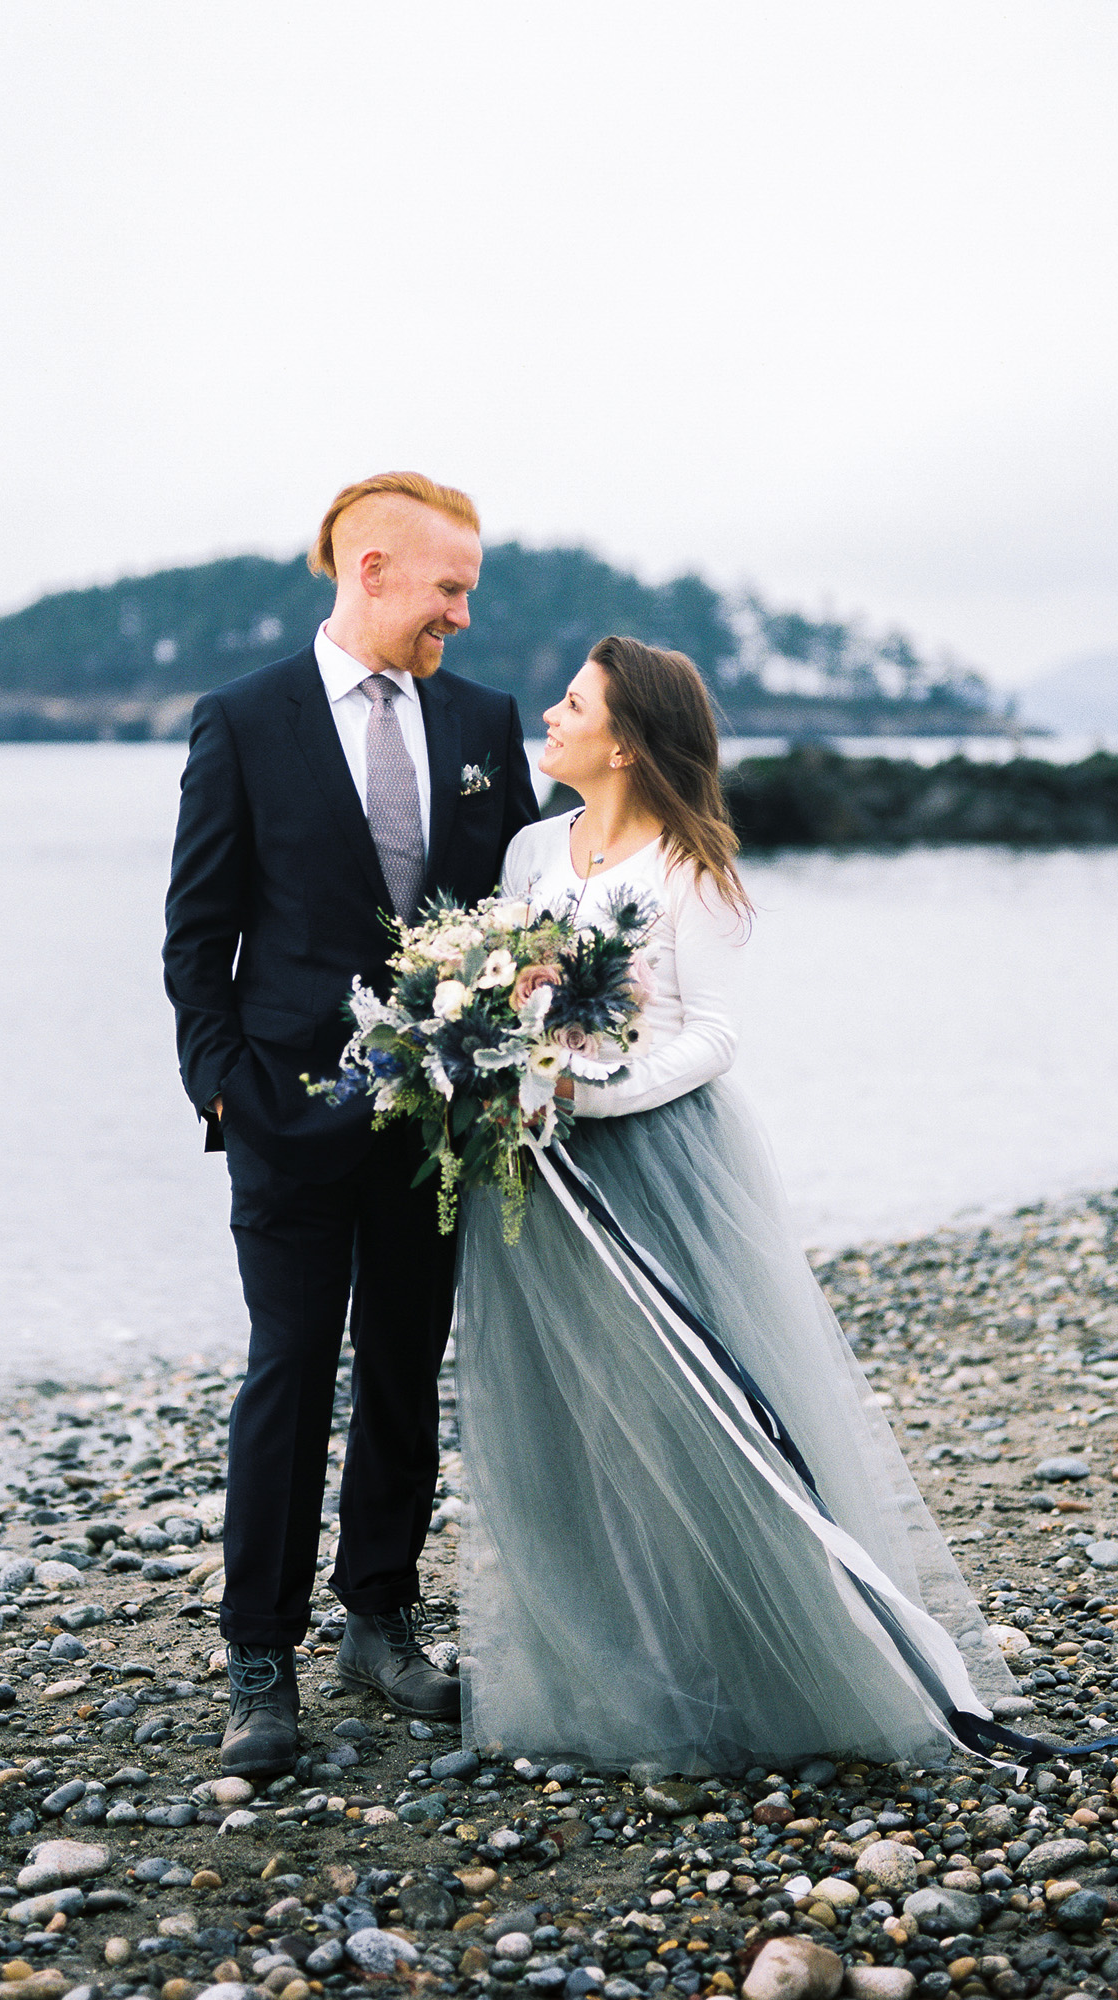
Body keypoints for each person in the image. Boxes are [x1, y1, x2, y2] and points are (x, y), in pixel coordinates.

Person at [453, 635, 1014, 1773]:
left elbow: (712, 1034)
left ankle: (763, 1670)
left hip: (657, 1162)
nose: (548, 719)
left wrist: (602, 1090)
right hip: (536, 1170)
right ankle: (608, 1671)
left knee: (692, 1416)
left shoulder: (685, 868)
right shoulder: (527, 851)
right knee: (562, 1419)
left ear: (624, 740)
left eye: (572, 705)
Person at [163, 472, 538, 1777]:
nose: (466, 615)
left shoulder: (484, 721)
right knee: (288, 1375)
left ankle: (378, 1618)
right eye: (450, 587)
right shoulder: (243, 722)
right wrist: (221, 1087)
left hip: (435, 1123)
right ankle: (258, 1658)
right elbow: (198, 939)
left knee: (400, 1371)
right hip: (284, 1114)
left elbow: (521, 919)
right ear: (371, 569)